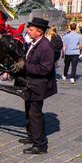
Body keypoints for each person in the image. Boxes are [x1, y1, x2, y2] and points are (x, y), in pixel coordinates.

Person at [20, 18, 57, 154]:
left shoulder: (46, 46)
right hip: (30, 84)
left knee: (35, 114)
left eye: (31, 29)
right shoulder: (35, 42)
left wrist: (25, 66)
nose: (28, 31)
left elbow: (45, 69)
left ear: (39, 31)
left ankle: (40, 145)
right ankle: (32, 136)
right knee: (28, 111)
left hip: (38, 86)